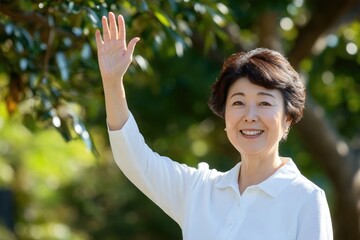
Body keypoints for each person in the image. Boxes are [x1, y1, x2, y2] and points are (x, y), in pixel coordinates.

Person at [95, 12, 333, 240]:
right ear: (225, 114)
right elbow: (133, 158)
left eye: (264, 103)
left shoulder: (305, 199)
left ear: (287, 118)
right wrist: (113, 82)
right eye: (238, 102)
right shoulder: (199, 190)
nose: (250, 116)